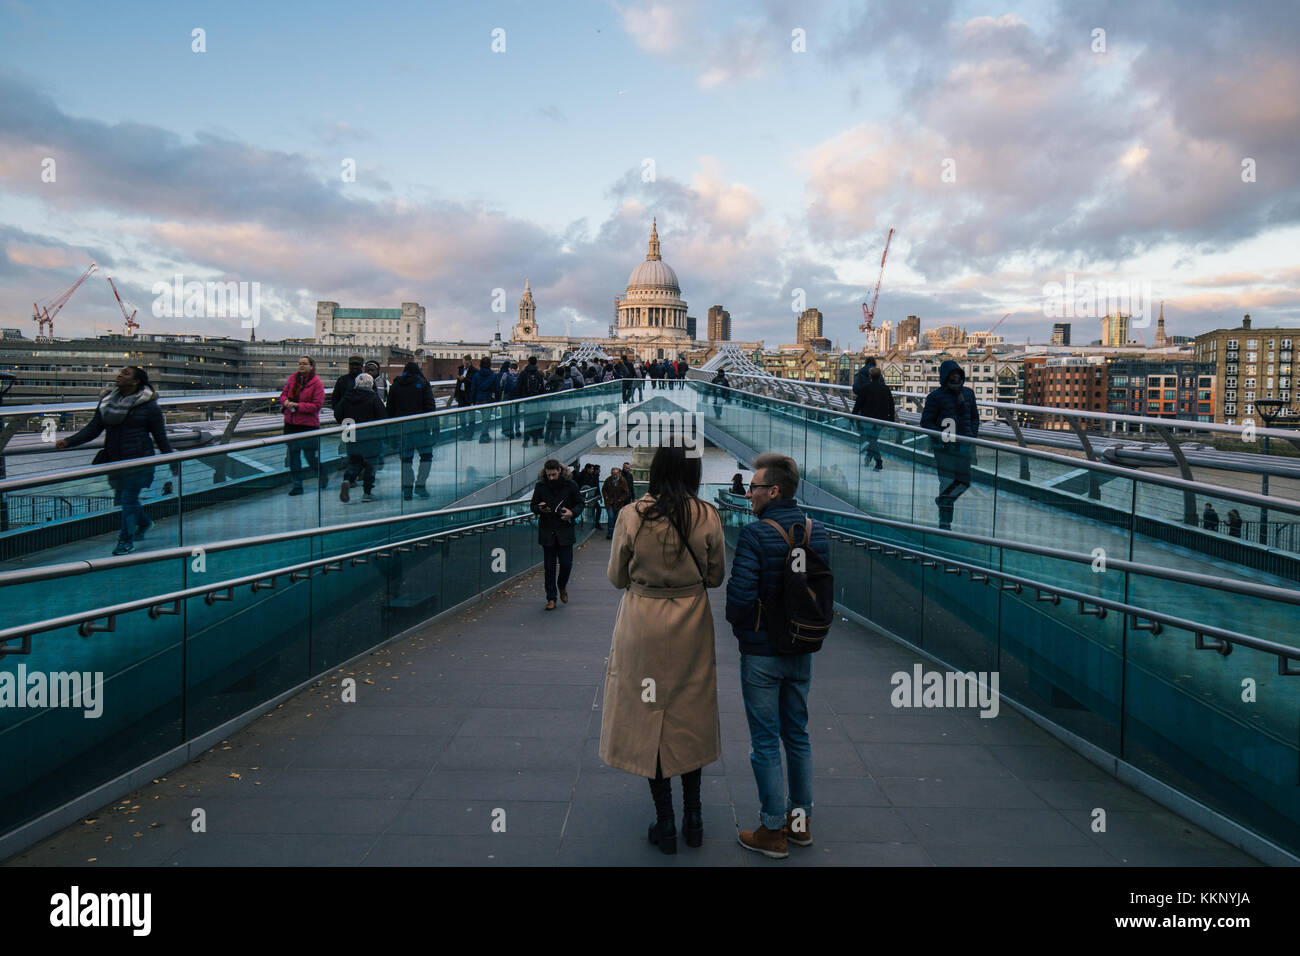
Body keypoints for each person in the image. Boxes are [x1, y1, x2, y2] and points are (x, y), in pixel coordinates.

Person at [601, 443, 726, 854]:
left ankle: (667, 822)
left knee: (649, 715)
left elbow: (617, 577)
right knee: (689, 713)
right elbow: (716, 575)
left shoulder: (631, 515)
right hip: (691, 622)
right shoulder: (707, 514)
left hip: (643, 621)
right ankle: (695, 817)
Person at [725, 452, 829, 859]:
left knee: (765, 742)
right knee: (798, 736)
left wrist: (744, 630)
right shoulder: (816, 530)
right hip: (802, 648)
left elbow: (739, 598)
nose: (748, 494)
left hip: (762, 653)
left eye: (753, 487)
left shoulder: (755, 534)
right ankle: (799, 825)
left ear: (774, 490)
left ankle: (772, 830)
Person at [56, 366, 175, 555]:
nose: (119, 375)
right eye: (121, 372)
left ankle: (125, 541)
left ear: (136, 382)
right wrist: (69, 442)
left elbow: (160, 437)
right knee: (123, 499)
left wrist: (172, 460)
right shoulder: (107, 402)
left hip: (139, 460)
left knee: (127, 499)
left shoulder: (149, 406)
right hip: (115, 460)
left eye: (125, 374)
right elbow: (93, 429)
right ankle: (144, 523)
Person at [920, 359, 978, 530]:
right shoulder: (935, 397)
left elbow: (974, 417)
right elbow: (926, 422)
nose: (955, 378)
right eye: (952, 375)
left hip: (963, 444)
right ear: (945, 377)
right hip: (944, 447)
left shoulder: (968, 394)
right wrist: (940, 436)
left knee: (964, 481)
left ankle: (944, 501)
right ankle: (945, 522)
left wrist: (972, 436)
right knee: (946, 481)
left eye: (957, 375)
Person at [530, 459, 582, 610]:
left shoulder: (571, 485)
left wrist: (572, 513)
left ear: (560, 470)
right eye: (548, 475)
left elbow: (580, 503)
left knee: (566, 564)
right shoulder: (540, 485)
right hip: (547, 530)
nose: (551, 478)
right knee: (549, 568)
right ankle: (551, 598)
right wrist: (540, 509)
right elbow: (533, 505)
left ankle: (562, 586)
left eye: (553, 474)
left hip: (565, 530)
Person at [386, 361, 437, 500]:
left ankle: (407, 489)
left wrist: (390, 433)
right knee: (426, 456)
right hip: (421, 428)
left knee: (406, 460)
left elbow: (390, 410)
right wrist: (434, 429)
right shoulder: (423, 384)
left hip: (402, 429)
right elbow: (430, 407)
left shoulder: (396, 385)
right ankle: (420, 485)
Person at [279, 355, 326, 496]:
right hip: (291, 424)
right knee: (293, 456)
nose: (301, 366)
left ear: (311, 366)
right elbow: (283, 395)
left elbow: (317, 405)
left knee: (310, 456)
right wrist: (286, 402)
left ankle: (322, 476)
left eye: (304, 364)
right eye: (299, 363)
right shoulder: (292, 379)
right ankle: (297, 486)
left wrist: (298, 406)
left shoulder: (317, 384)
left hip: (308, 426)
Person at [336, 372, 387, 502]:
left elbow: (338, 413)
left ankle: (347, 480)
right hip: (370, 436)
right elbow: (382, 416)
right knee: (370, 464)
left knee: (354, 462)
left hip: (351, 434)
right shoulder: (373, 397)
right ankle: (367, 493)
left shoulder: (348, 396)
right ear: (371, 385)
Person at [854, 366, 897, 470]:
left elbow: (858, 403)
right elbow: (891, 404)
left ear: (870, 376)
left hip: (868, 419)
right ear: (880, 376)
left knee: (871, 440)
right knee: (873, 439)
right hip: (881, 419)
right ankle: (869, 457)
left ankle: (878, 461)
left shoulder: (865, 388)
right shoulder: (885, 389)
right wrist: (891, 418)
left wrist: (853, 415)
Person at [518, 356, 547, 446]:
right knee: (535, 420)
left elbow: (518, 387)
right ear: (536, 363)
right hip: (536, 401)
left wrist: (520, 398)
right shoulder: (539, 374)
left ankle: (526, 440)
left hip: (527, 400)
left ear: (528, 362)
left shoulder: (523, 373)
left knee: (527, 420)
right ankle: (535, 440)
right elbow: (542, 389)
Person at [470, 356, 500, 442]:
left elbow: (473, 389)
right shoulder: (493, 375)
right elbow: (497, 389)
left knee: (484, 418)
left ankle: (485, 435)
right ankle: (483, 436)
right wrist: (497, 401)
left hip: (478, 400)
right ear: (489, 365)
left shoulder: (476, 375)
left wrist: (472, 401)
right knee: (486, 419)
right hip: (488, 399)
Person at [602, 466, 631, 540]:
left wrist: (621, 499)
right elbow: (604, 489)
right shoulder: (608, 480)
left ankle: (617, 533)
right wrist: (606, 497)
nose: (614, 476)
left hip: (618, 503)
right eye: (613, 474)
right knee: (611, 517)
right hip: (609, 502)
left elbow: (626, 492)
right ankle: (610, 534)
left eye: (615, 474)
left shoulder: (622, 481)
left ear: (619, 474)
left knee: (617, 518)